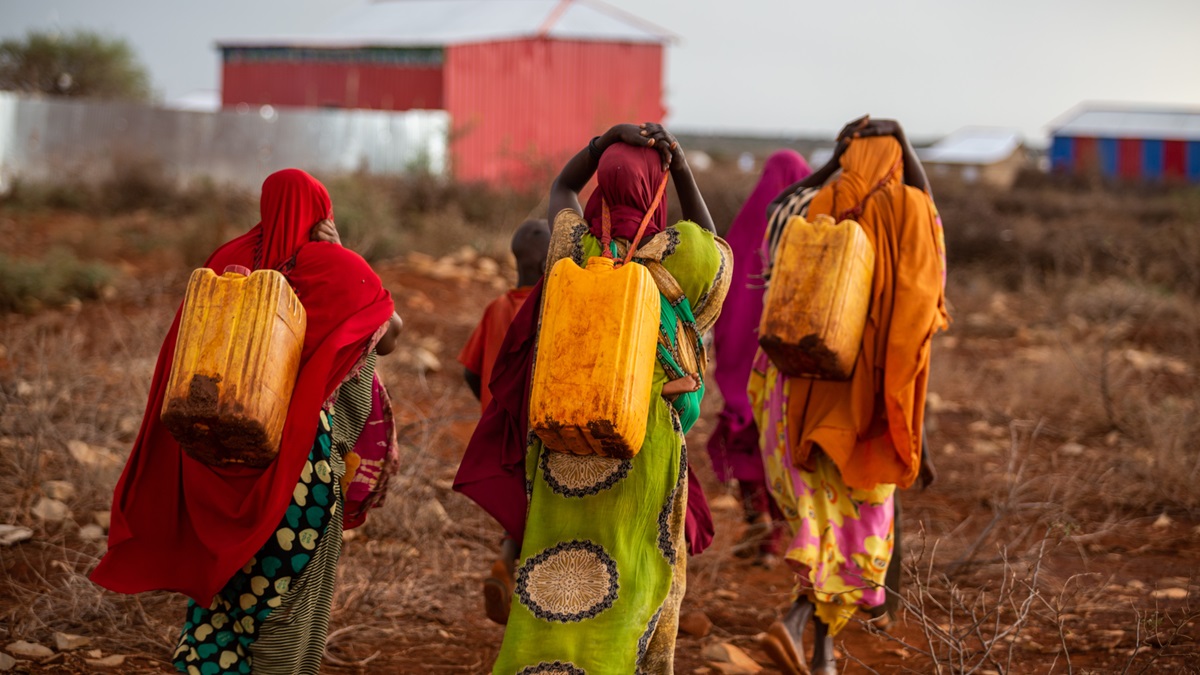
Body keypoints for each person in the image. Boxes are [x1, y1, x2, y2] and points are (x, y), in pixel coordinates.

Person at [91, 168, 403, 675]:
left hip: (213, 463)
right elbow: (388, 333)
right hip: (297, 471)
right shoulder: (338, 269)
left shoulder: (224, 262)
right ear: (322, 211)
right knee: (287, 604)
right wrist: (345, 252)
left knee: (224, 597)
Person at [454, 122, 730, 674]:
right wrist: (679, 169)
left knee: (555, 571)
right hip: (643, 442)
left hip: (563, 438)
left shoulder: (572, 249)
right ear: (659, 184)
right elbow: (713, 240)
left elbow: (561, 189)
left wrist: (600, 146)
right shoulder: (683, 256)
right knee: (635, 571)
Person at [749, 118, 949, 675]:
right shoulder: (909, 212)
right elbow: (928, 266)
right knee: (858, 531)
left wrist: (834, 164)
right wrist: (906, 146)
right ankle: (810, 642)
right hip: (866, 406)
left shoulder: (810, 205)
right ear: (898, 163)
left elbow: (779, 206)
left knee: (820, 524)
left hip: (794, 397)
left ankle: (820, 649)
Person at [707, 149, 811, 566]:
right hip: (786, 367)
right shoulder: (806, 232)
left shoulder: (744, 229)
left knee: (746, 436)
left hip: (743, 363)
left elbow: (724, 297)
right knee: (783, 445)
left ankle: (758, 519)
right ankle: (776, 538)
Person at [456, 218, 550, 625]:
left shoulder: (496, 307)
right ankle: (518, 579)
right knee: (539, 507)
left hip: (501, 427)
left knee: (519, 503)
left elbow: (470, 370)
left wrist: (489, 405)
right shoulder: (551, 306)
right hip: (540, 425)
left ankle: (505, 566)